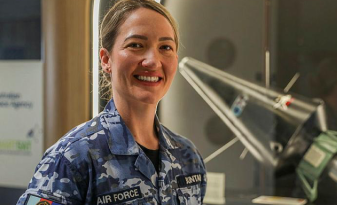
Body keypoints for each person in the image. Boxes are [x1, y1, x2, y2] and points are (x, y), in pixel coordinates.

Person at [17, 0, 207, 204]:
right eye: (136, 45)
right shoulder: (72, 157)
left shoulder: (188, 157)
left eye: (165, 47)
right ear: (106, 60)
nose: (153, 61)